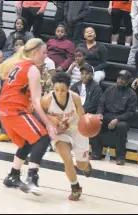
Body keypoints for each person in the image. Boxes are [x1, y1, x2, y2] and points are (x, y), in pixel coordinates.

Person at [0, 38, 57, 196]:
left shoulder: (17, 65)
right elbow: (37, 102)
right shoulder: (33, 69)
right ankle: (32, 179)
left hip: (4, 110)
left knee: (28, 140)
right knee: (42, 137)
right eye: (44, 52)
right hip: (14, 110)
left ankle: (13, 175)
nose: (46, 56)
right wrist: (49, 125)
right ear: (34, 52)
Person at [41, 72, 92, 201]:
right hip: (61, 134)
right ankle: (75, 188)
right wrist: (50, 118)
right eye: (56, 90)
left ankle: (86, 164)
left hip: (76, 130)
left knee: (81, 165)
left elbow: (82, 116)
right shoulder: (47, 100)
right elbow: (38, 112)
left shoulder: (75, 98)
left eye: (62, 90)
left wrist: (90, 124)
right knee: (67, 159)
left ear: (68, 89)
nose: (59, 93)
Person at [93, 70, 137, 164]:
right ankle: (96, 153)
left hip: (122, 119)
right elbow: (101, 103)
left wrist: (117, 119)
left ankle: (120, 157)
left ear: (128, 81)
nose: (120, 80)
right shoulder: (109, 89)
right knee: (95, 121)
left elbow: (130, 112)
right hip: (108, 115)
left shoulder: (132, 94)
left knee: (121, 126)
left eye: (123, 79)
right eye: (119, 78)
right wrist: (99, 113)